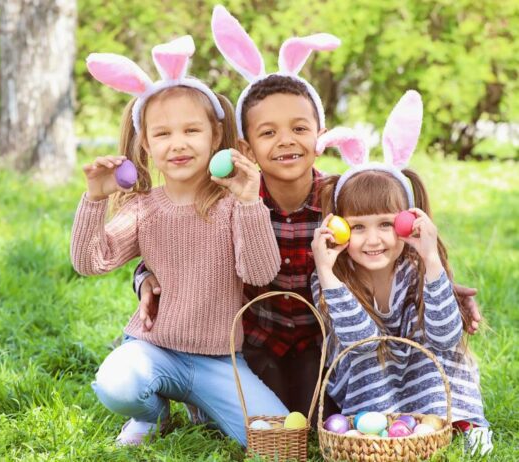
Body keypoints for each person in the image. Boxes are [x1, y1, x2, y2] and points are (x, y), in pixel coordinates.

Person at [133, 5, 482, 425]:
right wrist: (144, 277)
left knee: (317, 417)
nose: (286, 141)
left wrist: (439, 285)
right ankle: (180, 398)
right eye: (268, 132)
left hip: (326, 341)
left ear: (320, 138)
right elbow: (175, 248)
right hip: (254, 340)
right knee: (251, 423)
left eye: (300, 129)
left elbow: (388, 243)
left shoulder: (343, 198)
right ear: (246, 148)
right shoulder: (231, 199)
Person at [70, 36, 288, 447]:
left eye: (191, 130)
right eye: (163, 134)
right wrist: (95, 200)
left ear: (214, 133)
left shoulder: (230, 205)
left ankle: (202, 403)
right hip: (154, 350)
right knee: (116, 383)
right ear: (146, 144)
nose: (178, 143)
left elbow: (260, 271)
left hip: (220, 361)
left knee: (274, 442)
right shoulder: (143, 207)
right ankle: (153, 415)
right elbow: (90, 262)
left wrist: (248, 201)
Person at [310, 90, 493, 456]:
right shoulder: (330, 278)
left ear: (408, 224)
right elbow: (359, 342)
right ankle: (383, 429)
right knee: (367, 361)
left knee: (434, 357)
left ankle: (462, 422)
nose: (372, 240)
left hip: (422, 365)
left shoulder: (416, 269)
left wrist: (432, 261)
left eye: (385, 225)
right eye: (357, 227)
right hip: (369, 372)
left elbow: (444, 335)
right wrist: (326, 272)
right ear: (339, 228)